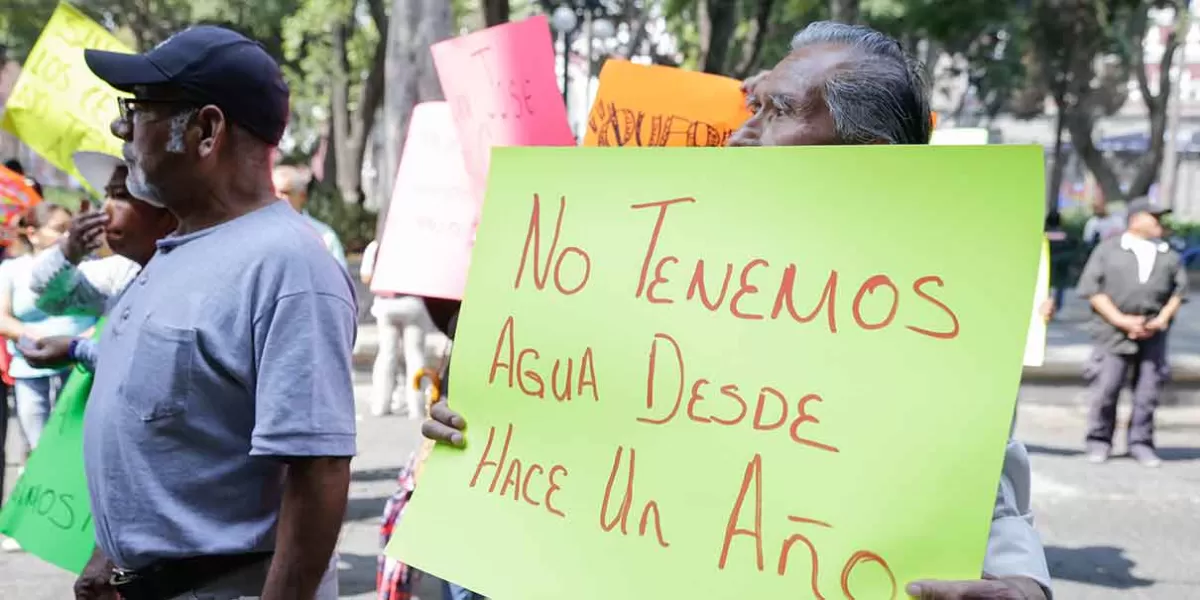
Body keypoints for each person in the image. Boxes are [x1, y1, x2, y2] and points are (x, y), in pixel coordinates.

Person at [423, 22, 1052, 600]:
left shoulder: (938, 316)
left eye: (776, 111)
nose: (739, 133)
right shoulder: (650, 278)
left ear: (872, 152)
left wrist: (1023, 586)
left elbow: (984, 496)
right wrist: (484, 433)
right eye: (754, 107)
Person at [73, 25, 356, 600]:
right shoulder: (176, 251)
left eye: (140, 109)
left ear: (205, 130)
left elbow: (318, 471)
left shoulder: (287, 266)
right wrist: (111, 554)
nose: (120, 129)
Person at [21, 151, 178, 372]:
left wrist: (76, 350)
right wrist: (69, 252)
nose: (104, 211)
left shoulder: (187, 279)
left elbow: (153, 369)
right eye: (107, 196)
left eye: (121, 196)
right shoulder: (122, 271)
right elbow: (50, 300)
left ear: (167, 210)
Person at [1076, 197, 1186, 468]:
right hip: (1113, 332)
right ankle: (1099, 440)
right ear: (1135, 219)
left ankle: (1141, 443)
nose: (1160, 222)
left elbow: (1178, 293)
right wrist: (1122, 320)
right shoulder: (1109, 250)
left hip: (1152, 333)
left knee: (1147, 392)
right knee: (1106, 388)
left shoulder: (1168, 254)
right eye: (1154, 216)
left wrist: (1161, 319)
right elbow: (1093, 291)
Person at [0, 202, 95, 451]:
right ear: (33, 233)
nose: (66, 235)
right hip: (31, 371)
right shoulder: (11, 269)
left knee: (78, 446)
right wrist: (38, 337)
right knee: (40, 448)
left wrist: (78, 343)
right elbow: (2, 318)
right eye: (58, 229)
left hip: (80, 369)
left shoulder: (89, 264)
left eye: (69, 228)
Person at [359, 238, 439, 418]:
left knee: (387, 354)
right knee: (415, 354)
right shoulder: (419, 241)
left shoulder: (376, 245)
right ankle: (417, 407)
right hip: (414, 301)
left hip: (386, 303)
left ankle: (381, 404)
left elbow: (366, 276)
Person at [273, 164, 348, 270]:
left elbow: (340, 281)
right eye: (272, 192)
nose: (276, 198)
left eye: (284, 192)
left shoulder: (324, 237)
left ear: (302, 196)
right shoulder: (255, 233)